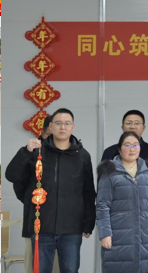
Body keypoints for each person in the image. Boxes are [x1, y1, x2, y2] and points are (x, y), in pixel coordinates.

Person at [5, 108, 96, 273]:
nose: (62, 127)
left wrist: (89, 222)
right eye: (58, 123)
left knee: (70, 270)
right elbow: (12, 176)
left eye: (67, 123)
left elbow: (88, 191)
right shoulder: (37, 151)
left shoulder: (82, 155)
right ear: (51, 126)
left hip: (71, 228)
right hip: (41, 227)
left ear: (73, 127)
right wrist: (25, 151)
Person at [96, 131, 148, 273]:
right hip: (117, 235)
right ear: (119, 149)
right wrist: (105, 233)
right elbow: (102, 205)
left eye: (136, 145)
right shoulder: (109, 172)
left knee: (142, 267)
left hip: (143, 235)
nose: (132, 149)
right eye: (127, 145)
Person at [13, 117, 61, 273]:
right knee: (34, 266)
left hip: (60, 226)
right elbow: (16, 180)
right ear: (49, 128)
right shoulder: (31, 151)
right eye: (58, 125)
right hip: (36, 220)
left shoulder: (66, 152)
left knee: (59, 267)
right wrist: (31, 199)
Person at [102, 110, 148, 190]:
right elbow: (103, 186)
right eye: (128, 123)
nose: (132, 126)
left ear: (143, 128)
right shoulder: (109, 151)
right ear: (122, 127)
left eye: (137, 123)